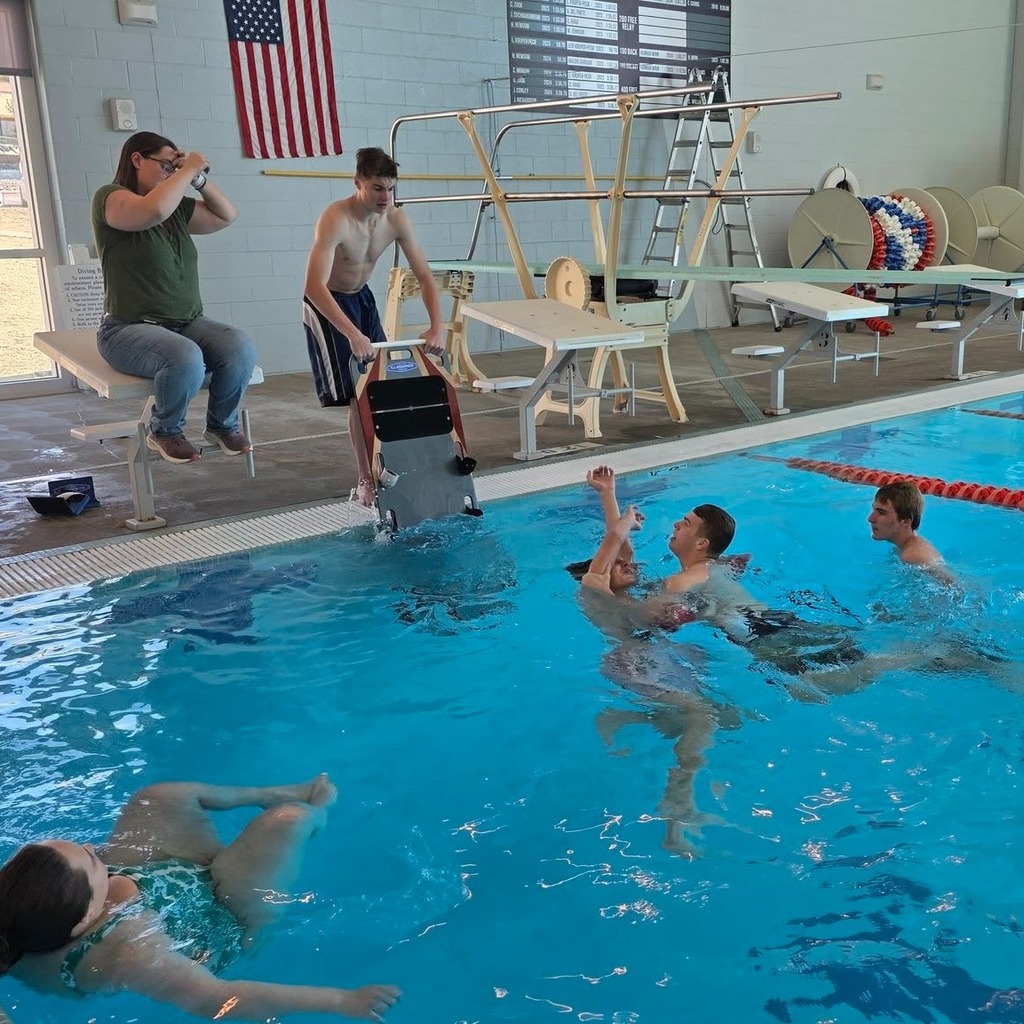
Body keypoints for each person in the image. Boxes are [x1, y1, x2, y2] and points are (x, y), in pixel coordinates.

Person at [0, 776, 399, 1021]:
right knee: (290, 821)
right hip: (222, 914)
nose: (92, 845)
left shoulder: (22, 907)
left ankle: (267, 792)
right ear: (87, 917)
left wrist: (101, 873)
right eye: (89, 858)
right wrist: (343, 1000)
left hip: (157, 875)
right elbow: (217, 1000)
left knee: (156, 796)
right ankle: (319, 814)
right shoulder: (127, 955)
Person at [92, 132, 257, 465]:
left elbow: (227, 215)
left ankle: (221, 426)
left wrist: (197, 178)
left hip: (186, 322)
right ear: (137, 159)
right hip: (127, 328)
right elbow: (151, 212)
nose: (171, 171)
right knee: (185, 356)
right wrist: (187, 170)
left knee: (240, 346)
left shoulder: (177, 207)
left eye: (174, 165)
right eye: (165, 164)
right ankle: (165, 431)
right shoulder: (111, 198)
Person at [303, 147, 446, 506]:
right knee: (358, 394)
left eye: (390, 189)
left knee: (380, 386)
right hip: (328, 304)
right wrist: (353, 333)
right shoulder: (335, 218)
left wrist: (437, 326)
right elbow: (313, 286)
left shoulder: (396, 220)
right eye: (377, 188)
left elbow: (426, 277)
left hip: (362, 299)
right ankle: (365, 478)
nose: (385, 197)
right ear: (358, 184)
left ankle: (387, 463)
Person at [868, 481, 944, 567]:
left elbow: (950, 580)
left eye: (881, 512)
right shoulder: (902, 547)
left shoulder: (912, 556)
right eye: (874, 509)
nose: (870, 519)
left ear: (905, 521)